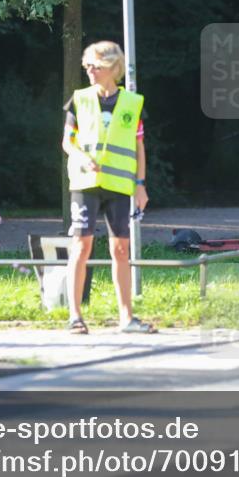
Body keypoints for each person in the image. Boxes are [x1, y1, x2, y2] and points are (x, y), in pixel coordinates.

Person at [61, 41, 155, 335]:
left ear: (112, 69)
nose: (89, 70)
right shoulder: (80, 99)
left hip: (118, 185)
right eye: (87, 65)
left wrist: (141, 186)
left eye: (95, 66)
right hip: (85, 183)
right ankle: (75, 317)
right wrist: (81, 157)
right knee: (81, 245)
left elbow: (139, 147)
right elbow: (67, 141)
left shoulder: (131, 103)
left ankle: (127, 318)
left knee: (121, 249)